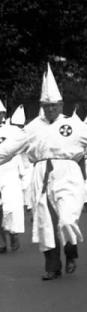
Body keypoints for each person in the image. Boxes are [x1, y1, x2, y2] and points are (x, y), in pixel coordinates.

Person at [0, 65, 87, 280]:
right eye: (46, 106)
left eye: (54, 106)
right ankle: (52, 266)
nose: (50, 110)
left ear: (60, 105)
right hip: (42, 175)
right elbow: (8, 149)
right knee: (46, 223)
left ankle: (71, 250)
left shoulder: (73, 125)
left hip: (68, 174)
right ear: (41, 106)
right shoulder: (32, 127)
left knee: (66, 220)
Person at [0, 98, 25, 253]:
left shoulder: (14, 131)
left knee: (10, 207)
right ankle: (3, 243)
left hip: (9, 173)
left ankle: (13, 232)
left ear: (3, 114)